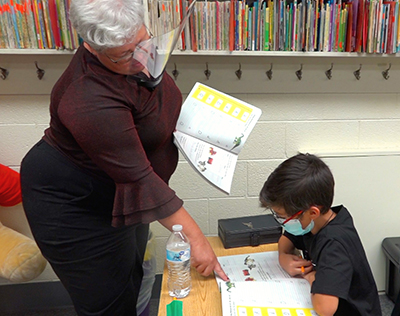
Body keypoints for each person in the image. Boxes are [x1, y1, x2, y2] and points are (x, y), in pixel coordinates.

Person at [20, 1, 228, 315]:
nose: (142, 58)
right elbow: (138, 177)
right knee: (108, 302)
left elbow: (150, 109)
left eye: (144, 43)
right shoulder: (85, 97)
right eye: (125, 55)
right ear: (92, 47)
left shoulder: (133, 50)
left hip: (119, 188)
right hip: (74, 202)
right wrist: (196, 239)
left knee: (133, 277)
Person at [259, 153, 381, 316]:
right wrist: (283, 256)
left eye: (283, 216)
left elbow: (325, 308)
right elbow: (285, 239)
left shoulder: (334, 243)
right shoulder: (313, 223)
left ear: (313, 212)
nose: (282, 222)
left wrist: (310, 275)